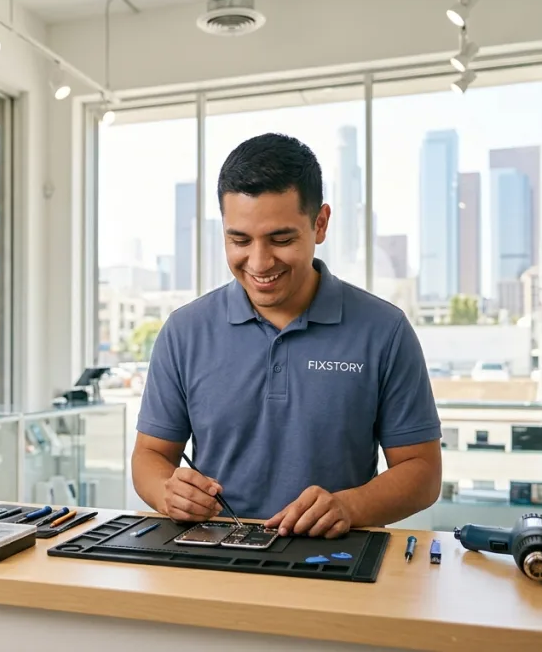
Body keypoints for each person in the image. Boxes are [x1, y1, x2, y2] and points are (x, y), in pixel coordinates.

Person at [131, 133, 442, 539]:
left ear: (320, 223)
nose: (259, 263)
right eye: (239, 240)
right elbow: (150, 455)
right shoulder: (184, 331)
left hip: (335, 557)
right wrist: (166, 491)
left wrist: (349, 506)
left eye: (281, 239)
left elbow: (423, 472)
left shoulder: (385, 330)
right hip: (213, 554)